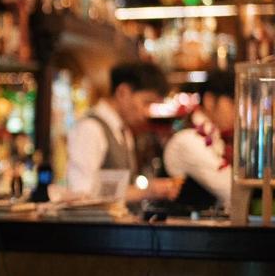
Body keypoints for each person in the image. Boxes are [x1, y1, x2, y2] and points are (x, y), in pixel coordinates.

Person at [66, 61, 179, 201]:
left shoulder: (123, 131)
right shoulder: (90, 128)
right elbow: (81, 192)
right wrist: (146, 191)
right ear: (123, 92)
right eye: (146, 102)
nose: (146, 112)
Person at [163, 71, 235, 209]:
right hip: (185, 229)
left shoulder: (215, 136)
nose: (240, 111)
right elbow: (230, 190)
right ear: (210, 100)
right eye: (233, 102)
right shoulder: (188, 139)